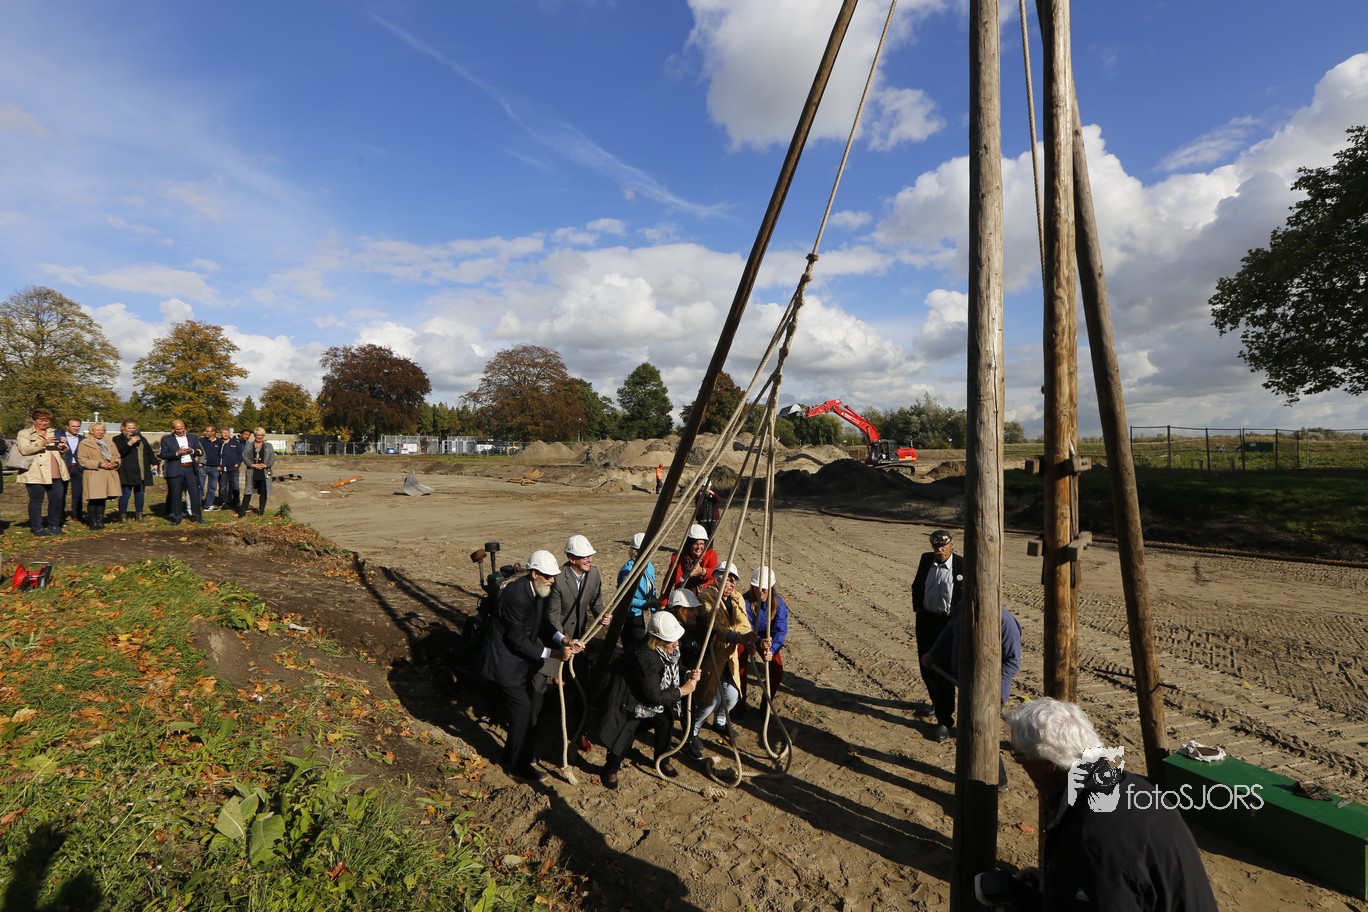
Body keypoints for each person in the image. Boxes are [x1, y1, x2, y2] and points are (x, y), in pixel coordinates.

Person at [1002, 698, 1218, 911]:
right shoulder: (1132, 787)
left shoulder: (1091, 840)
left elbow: (1106, 873)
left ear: (1048, 763)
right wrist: (1058, 882)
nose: (1020, 764)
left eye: (1018, 756)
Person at [481, 550, 577, 782]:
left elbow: (542, 624)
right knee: (523, 713)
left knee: (523, 713)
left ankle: (511, 755)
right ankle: (518, 766)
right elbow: (518, 641)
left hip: (520, 663)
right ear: (534, 573)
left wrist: (563, 639)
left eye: (554, 576)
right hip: (505, 664)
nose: (552, 580)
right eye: (548, 576)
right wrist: (555, 654)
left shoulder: (538, 590)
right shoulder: (516, 596)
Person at [596, 611, 701, 789]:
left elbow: (675, 667)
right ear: (657, 640)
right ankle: (611, 768)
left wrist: (687, 673)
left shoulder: (670, 649)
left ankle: (662, 759)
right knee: (625, 732)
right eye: (671, 640)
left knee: (666, 720)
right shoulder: (645, 656)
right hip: (630, 700)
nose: (676, 644)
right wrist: (683, 690)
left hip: (652, 695)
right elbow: (654, 697)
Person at [921, 602, 1022, 788]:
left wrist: (984, 685)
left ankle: (998, 782)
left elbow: (1012, 663)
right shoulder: (963, 609)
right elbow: (949, 631)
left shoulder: (1004, 621)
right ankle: (971, 774)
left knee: (983, 734)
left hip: (992, 692)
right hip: (967, 686)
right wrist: (933, 654)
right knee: (969, 732)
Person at [685, 562, 755, 760]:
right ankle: (693, 731)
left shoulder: (737, 598)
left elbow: (744, 624)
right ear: (718, 579)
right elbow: (713, 626)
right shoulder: (706, 598)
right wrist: (737, 637)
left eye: (734, 581)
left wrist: (745, 636)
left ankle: (721, 722)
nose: (732, 584)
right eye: (729, 580)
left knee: (732, 695)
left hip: (729, 657)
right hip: (712, 656)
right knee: (710, 699)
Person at [911, 529, 963, 741]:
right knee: (926, 666)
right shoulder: (926, 559)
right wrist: (918, 607)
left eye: (943, 545)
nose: (939, 549)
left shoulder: (962, 565)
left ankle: (944, 720)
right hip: (926, 620)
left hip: (948, 623)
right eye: (936, 546)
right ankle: (936, 701)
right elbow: (917, 584)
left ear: (952, 545)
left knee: (944, 670)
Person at [738, 566, 788, 711]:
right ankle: (740, 703)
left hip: (767, 640)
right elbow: (744, 625)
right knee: (739, 665)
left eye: (764, 589)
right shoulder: (745, 601)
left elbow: (780, 629)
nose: (760, 592)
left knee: (776, 669)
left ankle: (766, 705)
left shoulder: (778, 603)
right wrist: (756, 641)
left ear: (770, 588)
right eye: (757, 588)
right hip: (747, 636)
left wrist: (771, 649)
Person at [16, 407, 71, 536]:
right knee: (36, 500)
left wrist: (63, 446)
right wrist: (43, 443)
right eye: (41, 420)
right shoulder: (25, 433)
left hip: (55, 470)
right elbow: (24, 450)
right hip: (35, 471)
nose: (44, 423)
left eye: (46, 420)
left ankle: (54, 525)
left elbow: (65, 450)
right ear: (34, 420)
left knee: (57, 499)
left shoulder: (55, 432)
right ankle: (37, 528)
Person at [76, 423, 121, 529]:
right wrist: (99, 464)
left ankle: (100, 520)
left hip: (108, 473)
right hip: (94, 473)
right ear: (91, 431)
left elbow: (117, 456)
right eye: (98, 430)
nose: (100, 432)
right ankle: (93, 521)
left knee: (102, 498)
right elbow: (82, 459)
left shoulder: (109, 442)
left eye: (102, 430)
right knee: (93, 498)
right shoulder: (85, 443)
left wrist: (116, 463)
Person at [617, 532, 657, 647]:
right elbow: (625, 598)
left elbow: (652, 591)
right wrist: (647, 604)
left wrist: (655, 612)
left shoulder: (649, 566)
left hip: (639, 613)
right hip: (628, 615)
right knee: (634, 646)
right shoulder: (628, 571)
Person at [113, 420, 156, 522]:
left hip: (141, 470)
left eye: (133, 428)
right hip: (127, 471)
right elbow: (120, 452)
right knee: (126, 494)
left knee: (140, 493)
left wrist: (154, 463)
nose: (131, 430)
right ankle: (122, 516)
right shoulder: (117, 439)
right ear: (123, 428)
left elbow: (148, 451)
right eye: (129, 428)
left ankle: (139, 515)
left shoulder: (141, 438)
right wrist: (130, 443)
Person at [664, 524, 718, 598]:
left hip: (704, 597)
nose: (699, 547)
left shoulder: (710, 554)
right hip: (682, 595)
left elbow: (715, 574)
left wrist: (702, 571)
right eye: (696, 544)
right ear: (689, 544)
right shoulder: (678, 557)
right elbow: (668, 582)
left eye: (701, 544)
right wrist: (663, 601)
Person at [239, 428, 275, 516]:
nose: (260, 437)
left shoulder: (268, 446)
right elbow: (244, 456)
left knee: (263, 491)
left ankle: (261, 510)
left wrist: (266, 465)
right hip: (252, 471)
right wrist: (252, 465)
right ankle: (243, 510)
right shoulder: (248, 445)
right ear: (255, 435)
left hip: (264, 472)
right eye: (258, 435)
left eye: (262, 435)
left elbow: (272, 457)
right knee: (248, 491)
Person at [60, 417, 85, 527]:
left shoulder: (83, 439)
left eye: (78, 426)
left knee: (78, 493)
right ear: (67, 427)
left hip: (78, 468)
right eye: (73, 426)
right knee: (61, 493)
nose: (76, 428)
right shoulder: (60, 437)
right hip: (65, 467)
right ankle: (60, 516)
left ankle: (77, 515)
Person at [217, 427, 242, 512]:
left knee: (235, 485)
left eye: (227, 433)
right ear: (220, 433)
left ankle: (236, 502)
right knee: (223, 486)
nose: (226, 434)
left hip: (234, 468)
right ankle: (224, 502)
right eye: (224, 433)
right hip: (222, 468)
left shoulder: (235, 442)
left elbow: (241, 454)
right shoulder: (218, 442)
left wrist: (238, 463)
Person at [200, 424, 222, 511]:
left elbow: (223, 455)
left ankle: (208, 505)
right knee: (200, 486)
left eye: (208, 431)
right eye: (205, 431)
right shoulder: (201, 441)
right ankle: (197, 505)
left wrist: (220, 465)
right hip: (203, 467)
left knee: (212, 488)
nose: (206, 433)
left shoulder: (220, 442)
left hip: (214, 468)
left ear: (213, 432)